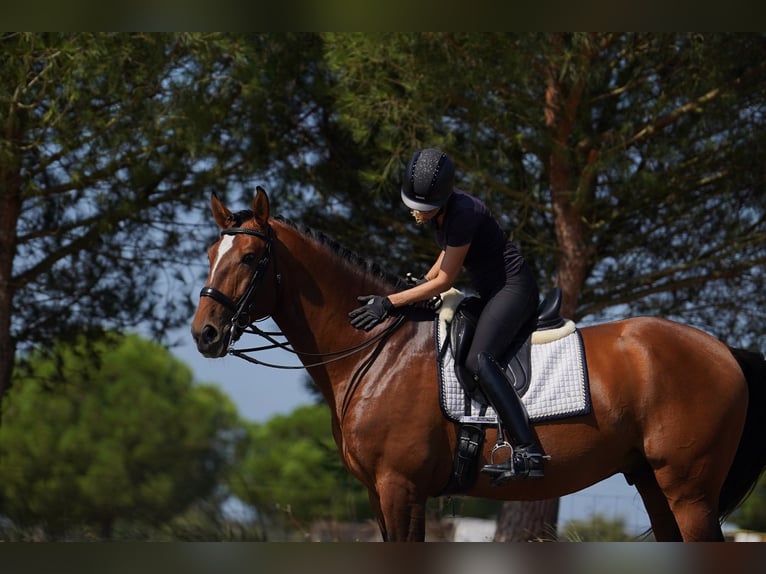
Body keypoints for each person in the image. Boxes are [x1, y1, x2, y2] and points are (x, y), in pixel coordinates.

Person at [348, 148, 546, 483]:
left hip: (514, 289)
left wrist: (390, 302)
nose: (417, 214)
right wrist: (419, 286)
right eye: (414, 206)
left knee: (479, 360)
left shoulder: (465, 212)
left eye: (423, 209)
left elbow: (446, 280)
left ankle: (529, 451)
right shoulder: (443, 212)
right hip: (491, 291)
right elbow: (446, 256)